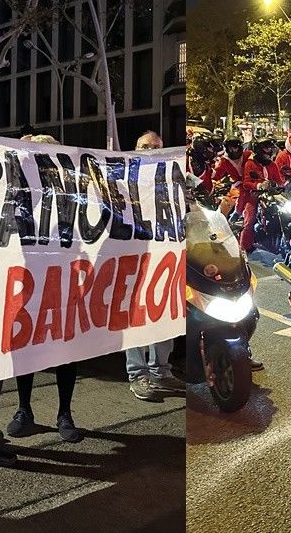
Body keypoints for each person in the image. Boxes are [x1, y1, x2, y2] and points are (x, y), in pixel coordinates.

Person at [126, 131, 192, 398]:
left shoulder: (173, 177)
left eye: (155, 147)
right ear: (135, 148)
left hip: (165, 256)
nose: (150, 150)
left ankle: (161, 372)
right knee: (133, 316)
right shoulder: (123, 176)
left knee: (165, 312)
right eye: (145, 146)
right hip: (133, 256)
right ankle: (138, 374)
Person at [239, 138, 286, 252]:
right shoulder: (250, 164)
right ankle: (243, 248)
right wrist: (259, 186)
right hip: (254, 196)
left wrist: (278, 184)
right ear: (259, 150)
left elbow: (280, 181)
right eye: (266, 148)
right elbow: (246, 183)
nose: (268, 151)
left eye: (270, 148)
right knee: (249, 221)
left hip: (271, 196)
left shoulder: (273, 165)